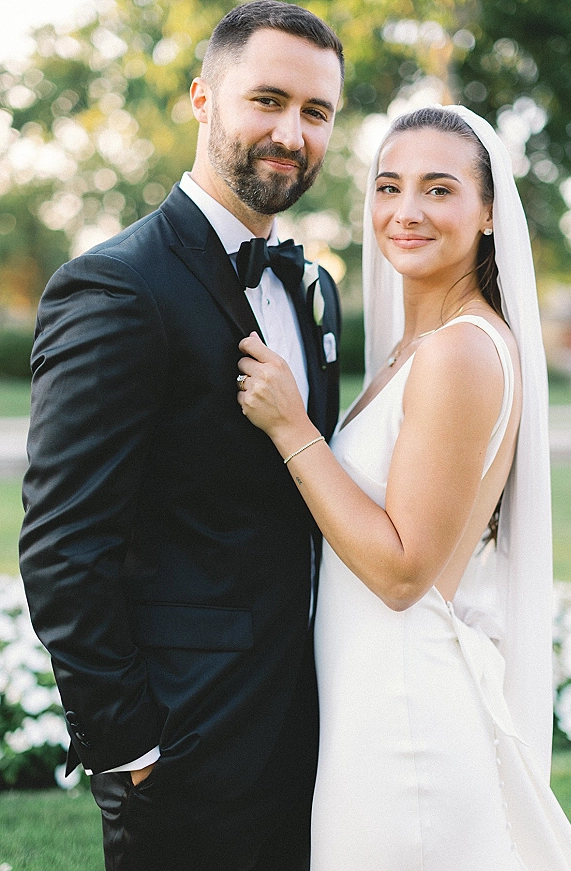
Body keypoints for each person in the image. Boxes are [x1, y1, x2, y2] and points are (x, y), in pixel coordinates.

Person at [19, 3, 343, 869]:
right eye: (266, 99)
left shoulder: (314, 288)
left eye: (316, 112)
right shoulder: (115, 289)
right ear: (203, 98)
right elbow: (60, 547)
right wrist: (131, 748)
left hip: (308, 734)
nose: (291, 132)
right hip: (183, 754)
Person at [237, 105, 571, 869]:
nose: (406, 211)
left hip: (406, 723)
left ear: (489, 211)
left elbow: (401, 571)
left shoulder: (461, 351)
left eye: (439, 188)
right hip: (368, 706)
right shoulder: (413, 349)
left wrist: (293, 428)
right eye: (389, 187)